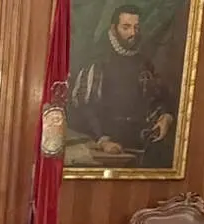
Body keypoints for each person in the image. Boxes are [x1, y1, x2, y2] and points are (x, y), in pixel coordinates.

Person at [68, 4, 177, 167]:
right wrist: (102, 140)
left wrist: (166, 117)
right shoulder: (98, 60)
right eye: (126, 27)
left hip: (139, 144)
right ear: (114, 29)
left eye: (136, 27)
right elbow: (82, 106)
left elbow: (159, 96)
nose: (133, 33)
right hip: (105, 146)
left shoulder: (143, 62)